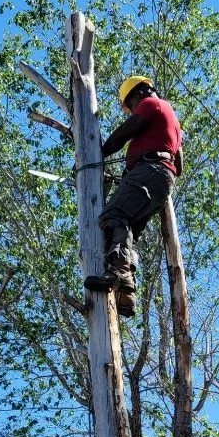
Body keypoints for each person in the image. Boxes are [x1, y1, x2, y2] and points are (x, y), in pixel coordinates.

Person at [84, 76, 183, 317]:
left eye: (131, 105)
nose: (132, 110)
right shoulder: (173, 123)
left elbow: (129, 130)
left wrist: (98, 153)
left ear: (138, 94)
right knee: (127, 231)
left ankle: (118, 273)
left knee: (114, 214)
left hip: (150, 171)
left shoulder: (151, 103)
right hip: (161, 180)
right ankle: (126, 292)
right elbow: (178, 163)